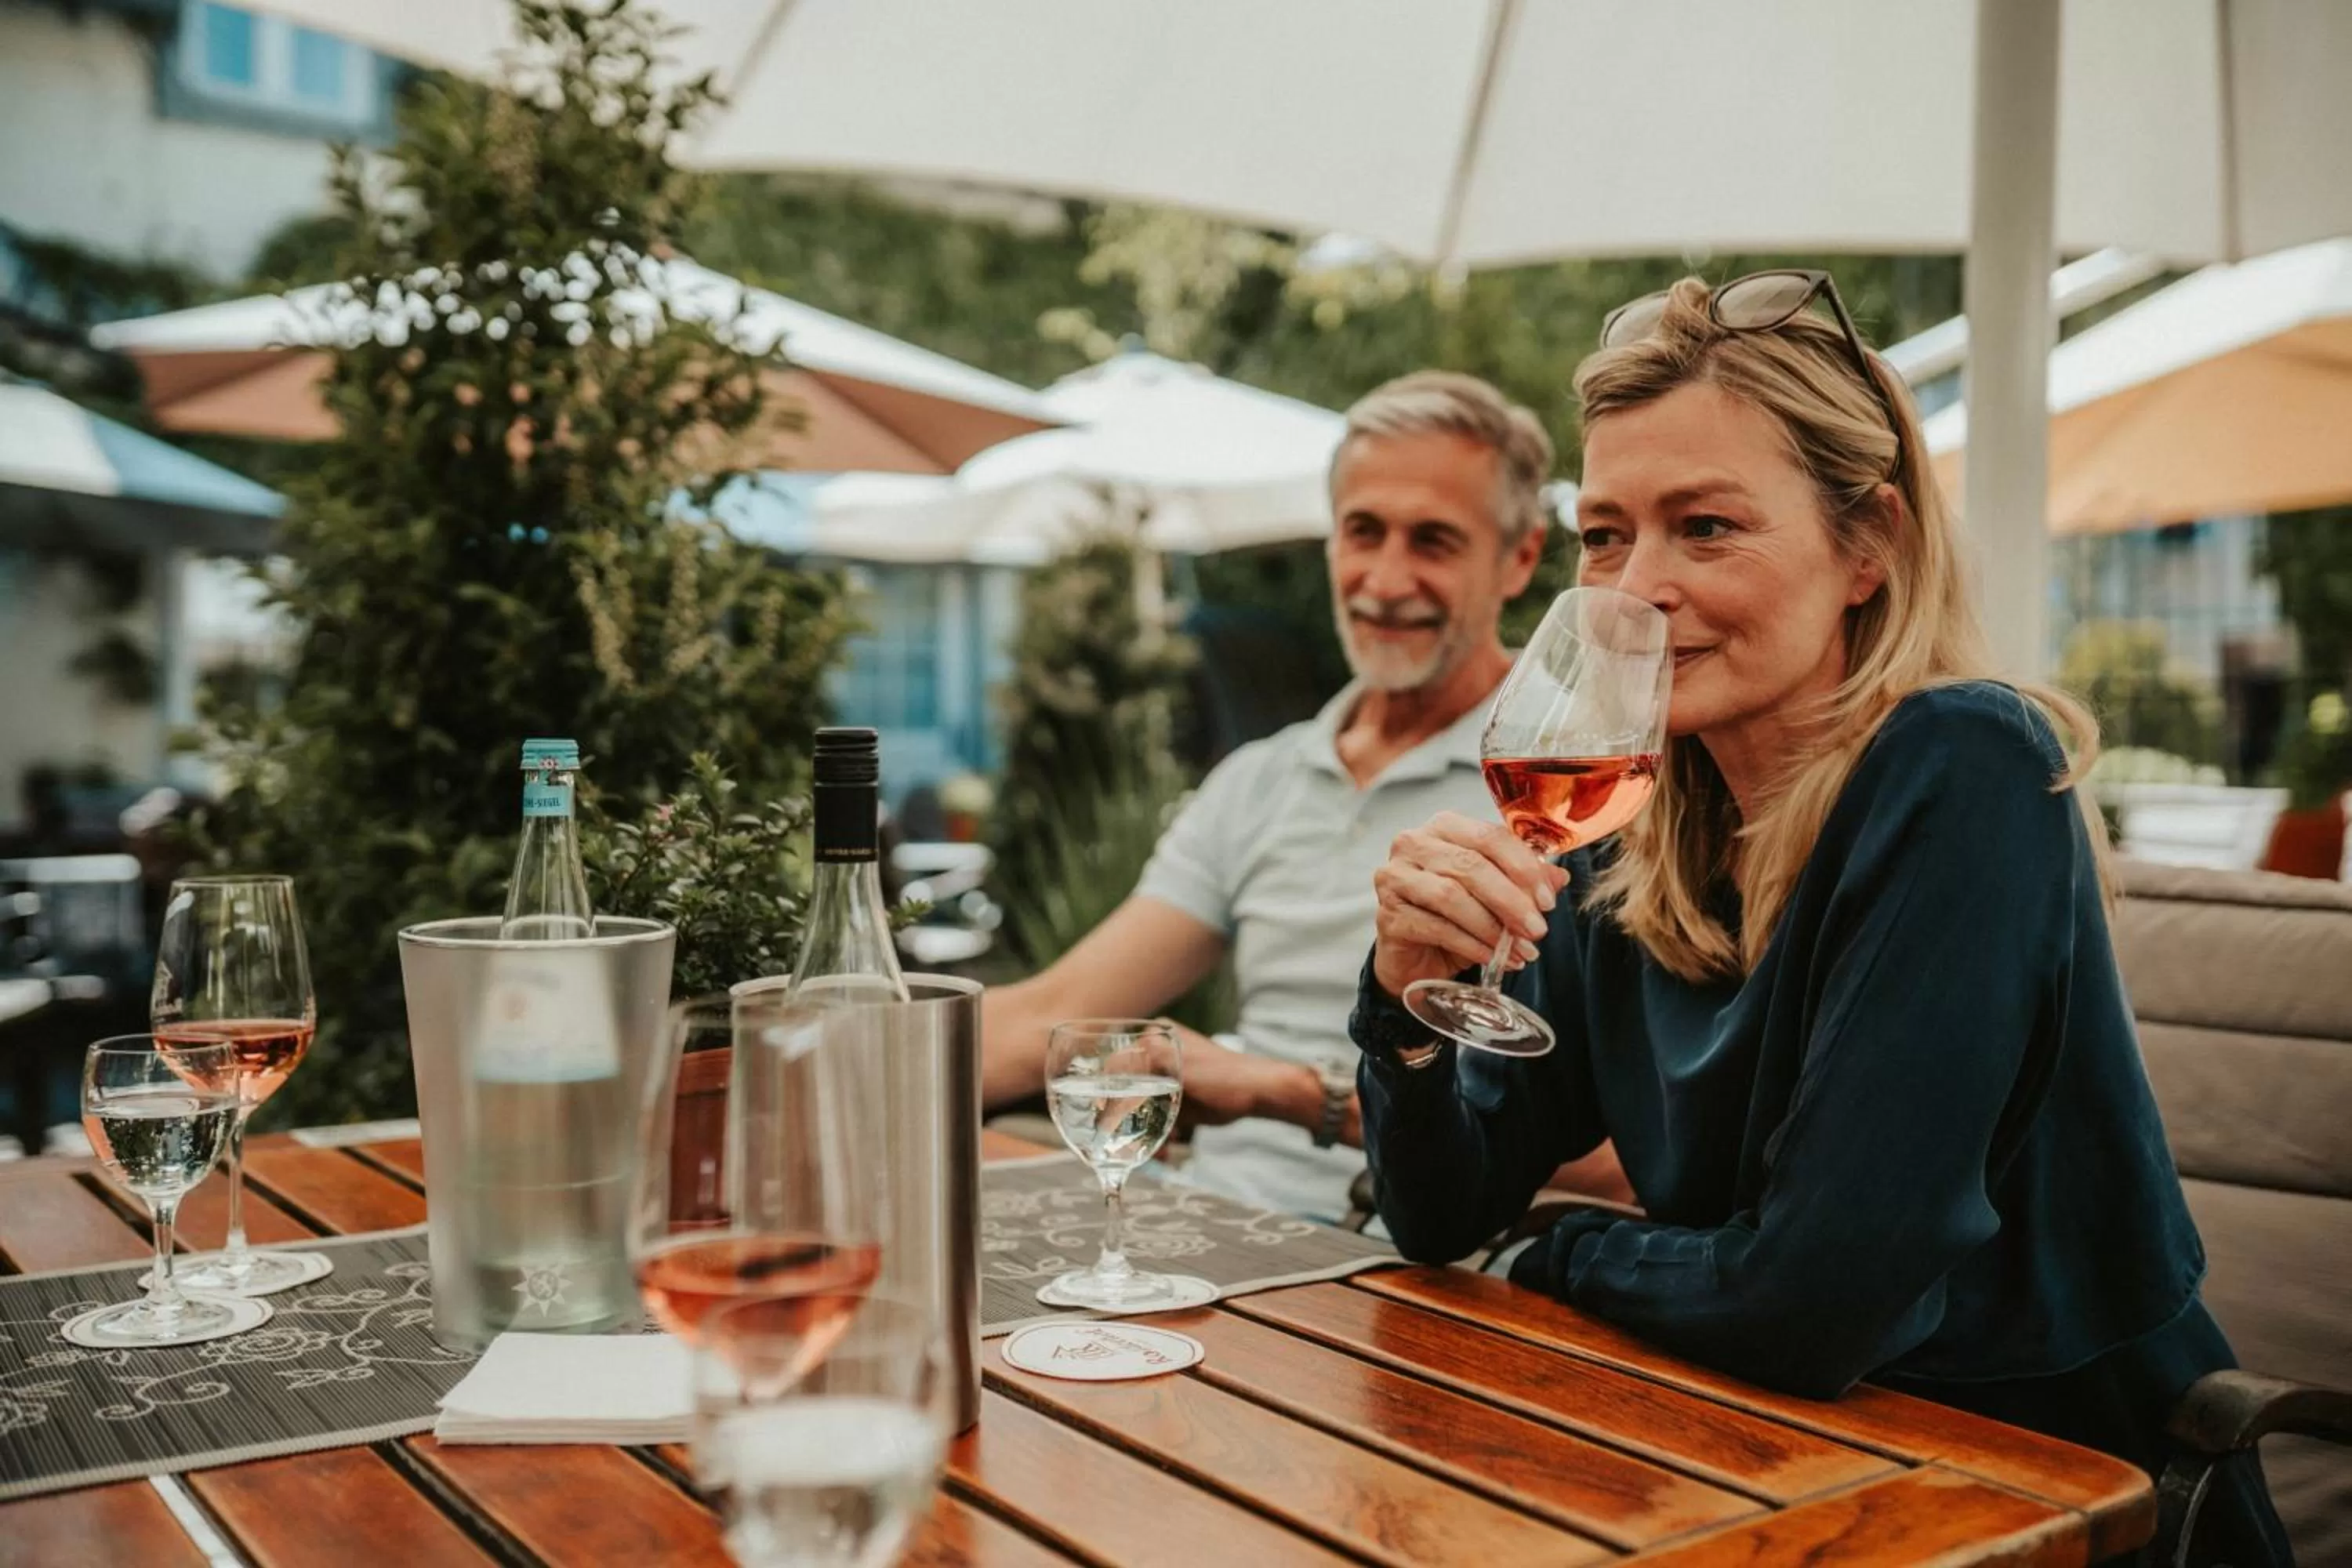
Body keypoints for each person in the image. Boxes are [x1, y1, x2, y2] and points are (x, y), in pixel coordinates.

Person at [1352, 276, 2288, 1563]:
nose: (1641, 588)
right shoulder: (1634, 829)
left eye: (1708, 526)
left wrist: (1563, 1256)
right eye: (1606, 535)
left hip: (2054, 1499)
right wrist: (1405, 1009)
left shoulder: (1969, 767)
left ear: (1872, 546)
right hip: (1755, 1467)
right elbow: (1444, 1213)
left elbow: (1812, 1303)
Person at [983, 371, 1627, 1221]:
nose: (1387, 579)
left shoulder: (1581, 785)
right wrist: (827, 1061)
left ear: (1516, 560)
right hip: (1201, 1227)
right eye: (1364, 531)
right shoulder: (1260, 779)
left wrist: (1288, 1093)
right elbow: (1052, 1014)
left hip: (1412, 1269)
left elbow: (1629, 1162)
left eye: (1434, 541)